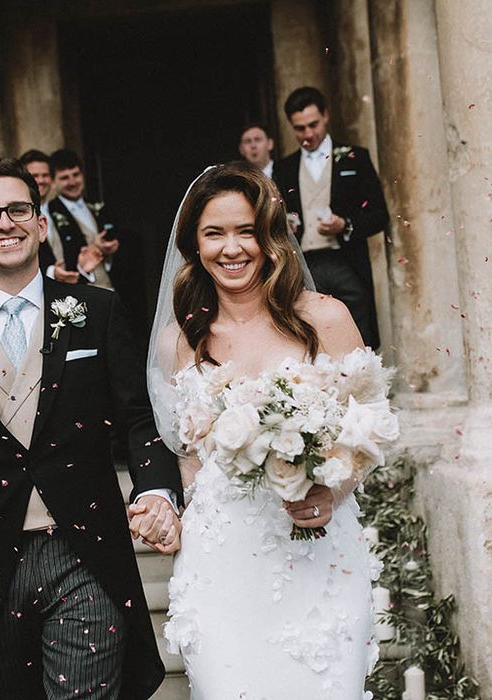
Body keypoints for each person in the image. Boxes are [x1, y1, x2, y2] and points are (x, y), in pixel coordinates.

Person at [0, 156, 183, 699]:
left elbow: (141, 418)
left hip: (86, 554)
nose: (6, 223)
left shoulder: (99, 312)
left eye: (19, 209)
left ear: (41, 224)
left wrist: (158, 490)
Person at [147, 162, 384, 698]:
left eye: (246, 230)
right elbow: (189, 453)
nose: (232, 248)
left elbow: (371, 428)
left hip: (317, 552)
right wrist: (175, 513)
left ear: (271, 237)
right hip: (222, 560)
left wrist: (332, 489)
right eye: (214, 233)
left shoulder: (324, 318)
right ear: (195, 244)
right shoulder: (178, 339)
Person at [276, 86, 389, 349]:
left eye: (313, 125)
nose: (308, 134)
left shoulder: (355, 158)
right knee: (311, 337)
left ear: (326, 116)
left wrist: (345, 224)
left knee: (359, 332)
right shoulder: (284, 169)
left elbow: (379, 215)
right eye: (300, 128)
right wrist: (286, 226)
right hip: (305, 265)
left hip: (346, 259)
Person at [49, 149, 147, 340]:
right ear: (54, 182)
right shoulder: (51, 214)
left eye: (76, 175)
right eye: (64, 178)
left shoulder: (97, 205)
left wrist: (109, 252)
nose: (72, 182)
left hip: (113, 292)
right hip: (81, 296)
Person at [19, 148, 103, 285]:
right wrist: (52, 273)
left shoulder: (62, 211)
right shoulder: (18, 216)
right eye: (35, 175)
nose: (41, 180)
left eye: (45, 175)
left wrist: (82, 268)